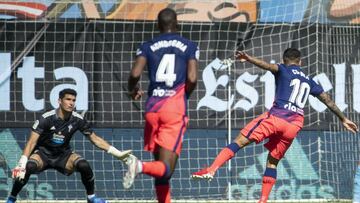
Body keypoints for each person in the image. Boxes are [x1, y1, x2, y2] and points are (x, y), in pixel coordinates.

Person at [191, 48, 358, 203]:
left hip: (277, 117)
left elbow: (268, 66)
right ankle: (263, 200)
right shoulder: (309, 80)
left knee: (239, 142)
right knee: (272, 162)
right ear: (300, 62)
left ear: (284, 60)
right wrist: (343, 119)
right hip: (295, 125)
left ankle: (211, 169)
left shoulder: (283, 69)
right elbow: (326, 98)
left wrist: (248, 58)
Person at [124, 8, 199, 203]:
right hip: (173, 109)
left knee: (161, 169)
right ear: (177, 24)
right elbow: (192, 77)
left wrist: (133, 91)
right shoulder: (189, 45)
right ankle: (139, 166)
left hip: (152, 109)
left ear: (158, 25)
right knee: (167, 169)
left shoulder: (148, 45)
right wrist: (183, 95)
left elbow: (134, 75)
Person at [6, 88, 132, 203]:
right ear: (59, 101)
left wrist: (117, 153)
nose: (71, 103)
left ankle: (91, 198)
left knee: (84, 165)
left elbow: (95, 139)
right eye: (68, 99)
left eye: (73, 100)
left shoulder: (77, 119)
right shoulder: (46, 118)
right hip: (43, 154)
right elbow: (31, 142)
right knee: (28, 166)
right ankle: (12, 198)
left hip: (64, 155)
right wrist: (21, 164)